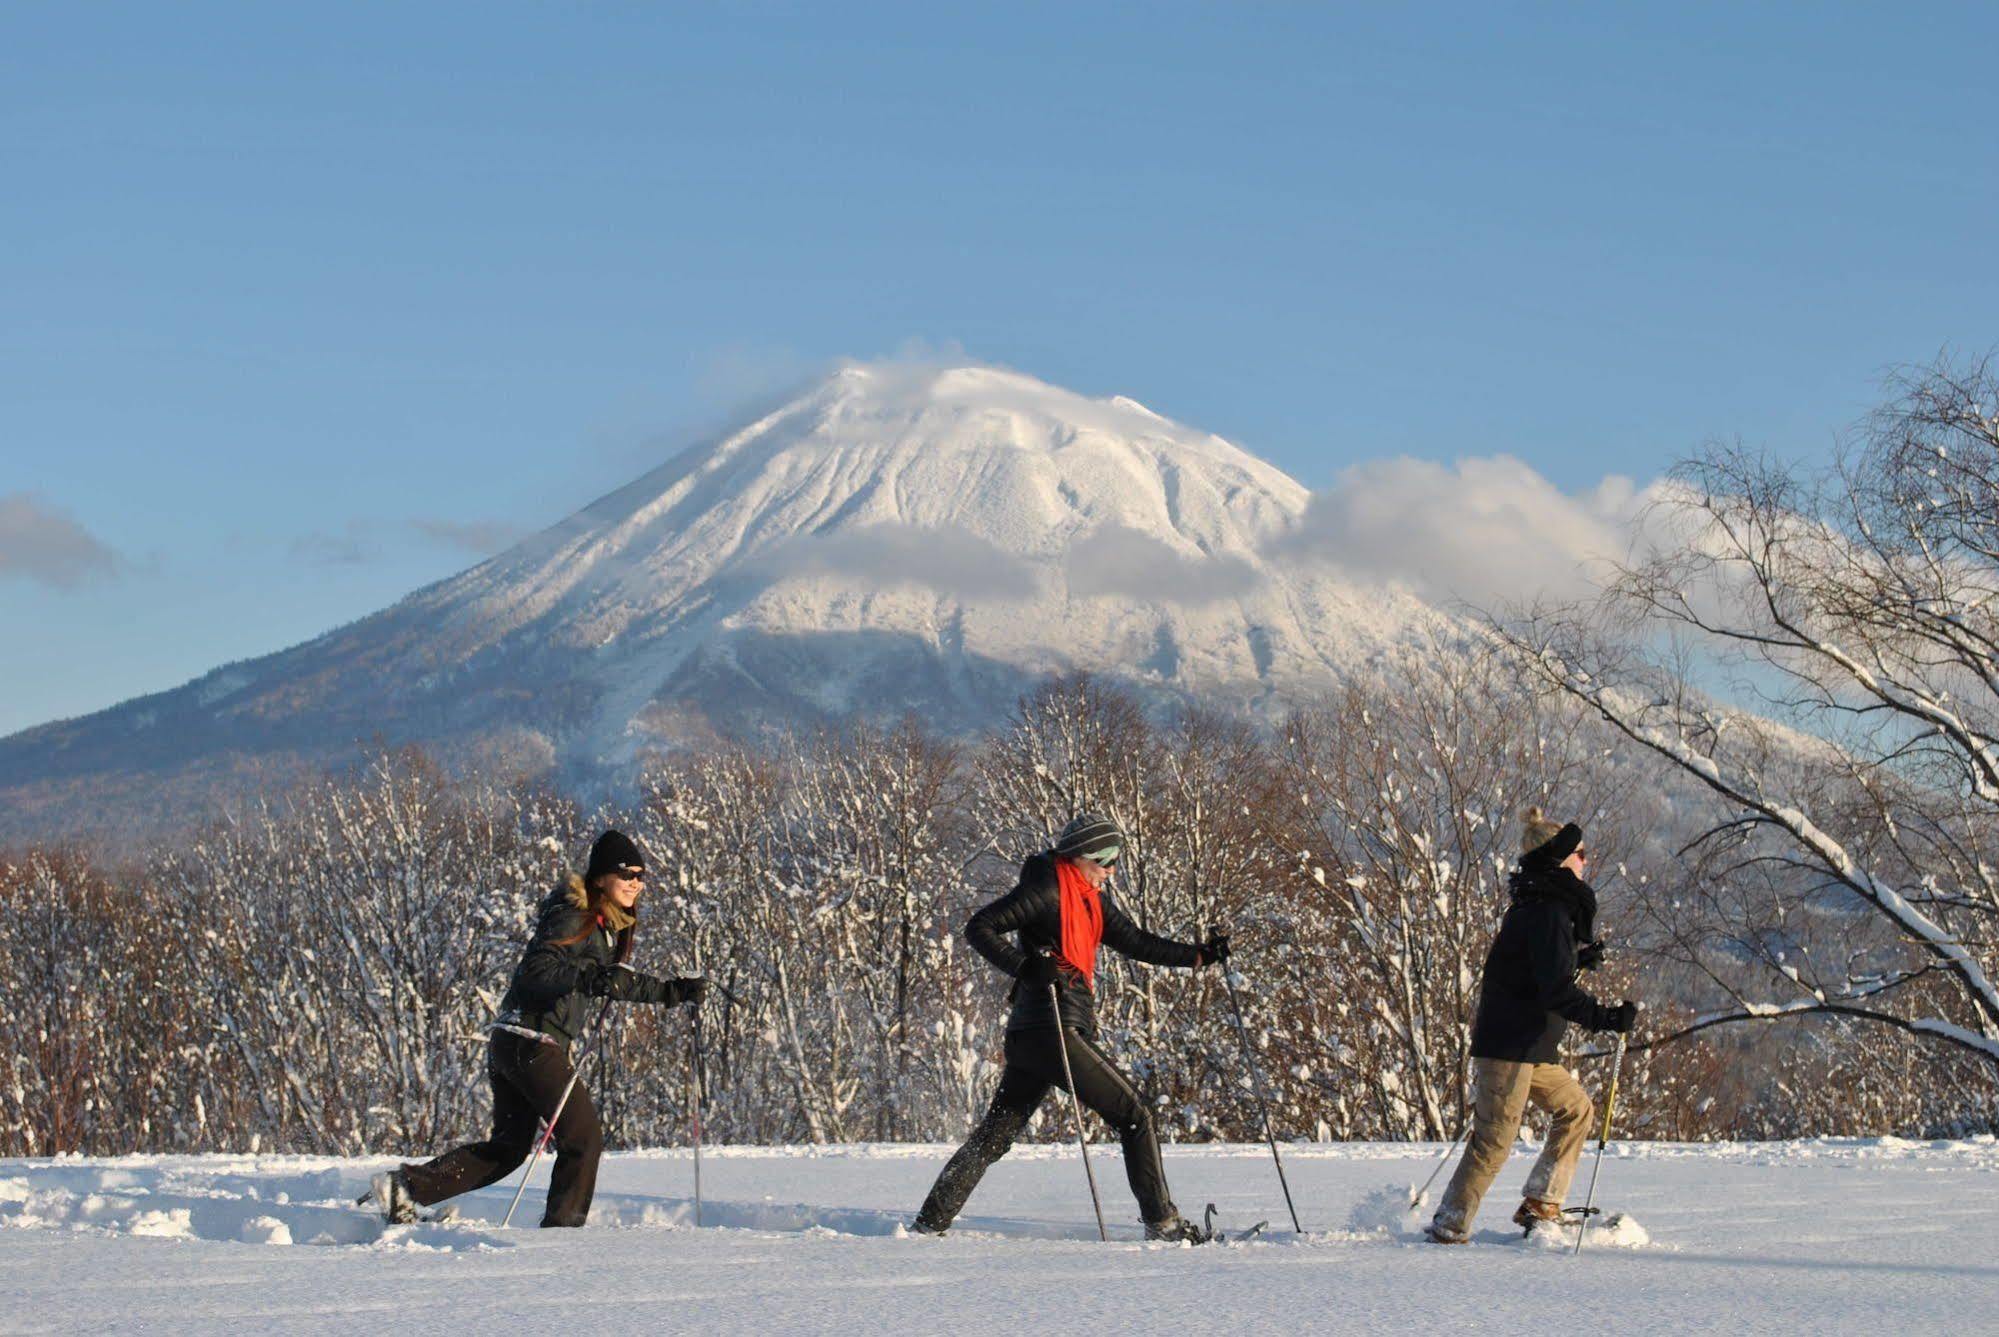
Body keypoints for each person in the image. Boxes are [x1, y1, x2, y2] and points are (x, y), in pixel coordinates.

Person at [910, 813, 1230, 1243]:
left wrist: (1199, 956)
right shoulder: (1046, 889)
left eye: (1115, 860)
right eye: (1105, 859)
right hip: (1052, 1027)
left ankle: (929, 1225)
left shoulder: (1088, 898)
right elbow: (980, 927)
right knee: (1135, 1115)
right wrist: (1027, 967)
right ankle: (1164, 1224)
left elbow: (1136, 941)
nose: (1111, 869)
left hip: (1036, 1034)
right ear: (1080, 855)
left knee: (995, 1135)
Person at [372, 830, 706, 1227]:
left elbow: (610, 979)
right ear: (600, 877)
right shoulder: (575, 915)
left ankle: (406, 1189)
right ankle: (561, 1237)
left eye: (640, 873)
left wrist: (673, 991)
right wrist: (588, 980)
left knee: (509, 1148)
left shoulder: (598, 924)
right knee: (584, 1139)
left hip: (513, 1041)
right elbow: (538, 970)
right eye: (626, 872)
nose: (636, 881)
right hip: (532, 1043)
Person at [1426, 808, 1638, 1244]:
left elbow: (1534, 974)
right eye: (1581, 853)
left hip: (1530, 1047)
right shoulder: (1548, 911)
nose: (1586, 861)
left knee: (1576, 1110)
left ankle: (1542, 1203)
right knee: (1493, 1141)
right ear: (1560, 858)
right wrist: (1607, 1019)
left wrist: (1577, 960)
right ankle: (1449, 1225)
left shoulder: (1539, 904)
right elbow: (1553, 991)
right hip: (1511, 1048)